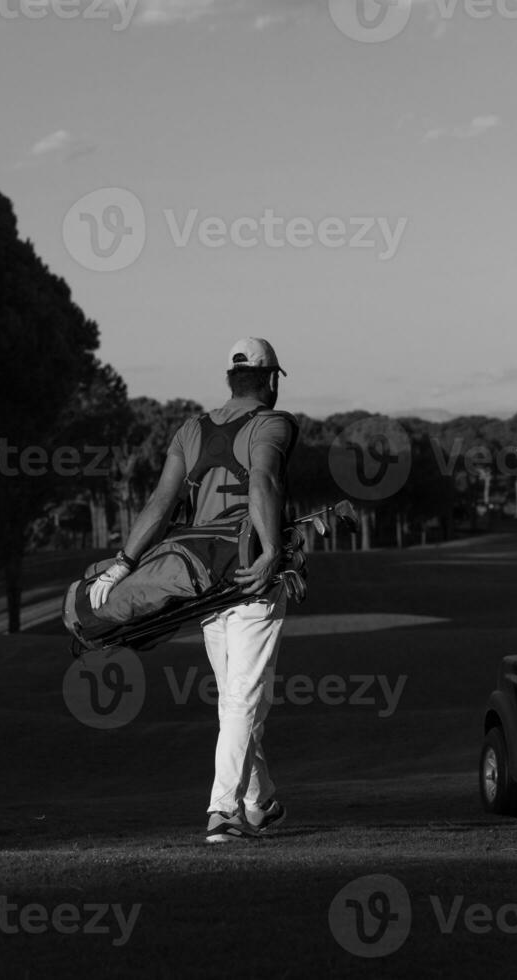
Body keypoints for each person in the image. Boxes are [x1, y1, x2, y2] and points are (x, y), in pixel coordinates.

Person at [89, 338, 298, 843]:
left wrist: (122, 564)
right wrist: (271, 551)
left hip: (203, 584)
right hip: (251, 576)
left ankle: (259, 802)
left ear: (230, 379)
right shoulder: (273, 422)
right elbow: (263, 480)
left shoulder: (190, 430)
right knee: (245, 701)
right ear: (270, 381)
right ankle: (223, 811)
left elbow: (161, 502)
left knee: (236, 701)